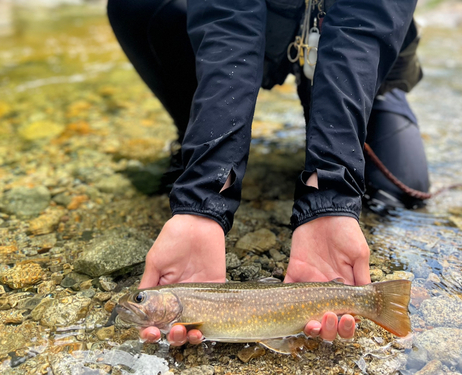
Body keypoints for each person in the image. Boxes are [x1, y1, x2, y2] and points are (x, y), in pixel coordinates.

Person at [107, 0, 429, 346]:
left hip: (361, 59)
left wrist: (332, 194)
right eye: (141, 300)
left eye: (141, 298)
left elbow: (366, 20)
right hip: (257, 46)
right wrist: (202, 196)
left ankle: (327, 150)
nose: (138, 301)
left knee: (399, 190)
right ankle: (198, 141)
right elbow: (228, 17)